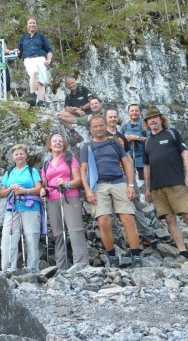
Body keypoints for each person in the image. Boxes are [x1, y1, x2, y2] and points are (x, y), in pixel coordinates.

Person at [142, 106, 188, 266]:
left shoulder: (172, 133)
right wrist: (147, 188)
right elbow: (146, 167)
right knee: (169, 219)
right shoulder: (147, 141)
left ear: (161, 119)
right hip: (157, 187)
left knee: (187, 216)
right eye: (149, 119)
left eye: (155, 117)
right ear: (147, 122)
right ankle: (183, 253)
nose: (152, 120)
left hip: (175, 182)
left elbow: (185, 153)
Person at [79, 115, 142, 268]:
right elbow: (83, 170)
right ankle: (112, 256)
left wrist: (131, 185)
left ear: (105, 125)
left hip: (119, 182)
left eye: (101, 125)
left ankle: (136, 256)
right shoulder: (86, 147)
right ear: (90, 129)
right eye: (95, 127)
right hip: (98, 185)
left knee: (128, 219)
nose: (99, 129)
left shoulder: (114, 143)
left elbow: (127, 162)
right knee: (104, 221)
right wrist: (88, 190)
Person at [106, 108, 158, 248]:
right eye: (110, 117)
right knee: (110, 206)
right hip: (108, 176)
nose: (112, 119)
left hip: (124, 174)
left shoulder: (122, 136)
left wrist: (130, 178)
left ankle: (146, 233)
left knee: (135, 201)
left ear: (117, 119)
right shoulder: (101, 136)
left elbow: (128, 158)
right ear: (106, 119)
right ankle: (115, 236)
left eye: (115, 117)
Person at [40, 133, 89, 271]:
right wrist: (44, 191)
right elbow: (45, 184)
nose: (57, 143)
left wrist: (66, 184)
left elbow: (78, 180)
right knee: (58, 233)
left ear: (64, 144)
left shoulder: (70, 158)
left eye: (60, 141)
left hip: (69, 196)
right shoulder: (46, 164)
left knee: (75, 229)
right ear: (50, 145)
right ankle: (61, 267)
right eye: (54, 141)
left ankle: (81, 264)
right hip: (52, 198)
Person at [0, 144, 43, 273]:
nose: (19, 156)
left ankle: (32, 269)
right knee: (8, 237)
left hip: (31, 207)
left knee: (31, 237)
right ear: (13, 157)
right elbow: (1, 193)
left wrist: (25, 190)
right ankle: (8, 269)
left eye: (21, 153)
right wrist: (10, 189)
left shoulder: (32, 171)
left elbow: (39, 188)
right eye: (16, 154)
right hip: (12, 208)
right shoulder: (8, 173)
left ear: (26, 155)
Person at [17, 18, 52, 107]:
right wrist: (17, 52)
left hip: (40, 59)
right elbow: (19, 52)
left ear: (36, 25)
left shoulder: (41, 37)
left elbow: (49, 50)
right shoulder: (23, 37)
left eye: (33, 23)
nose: (32, 24)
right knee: (34, 72)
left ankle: (40, 102)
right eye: (30, 23)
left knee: (41, 81)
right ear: (27, 25)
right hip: (28, 59)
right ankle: (32, 96)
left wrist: (48, 60)